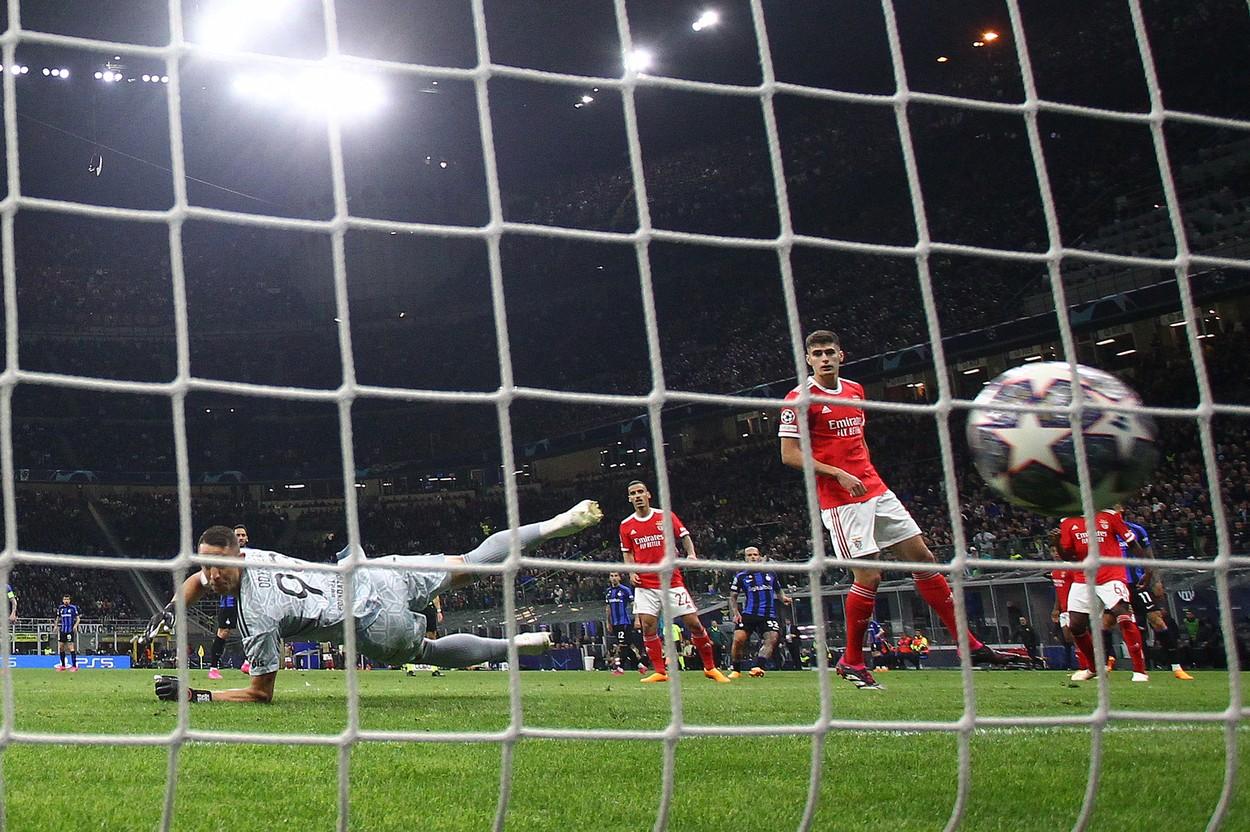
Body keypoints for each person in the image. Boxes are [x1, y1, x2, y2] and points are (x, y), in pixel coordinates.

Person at [147, 500, 603, 704]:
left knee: (429, 653)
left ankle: (514, 646)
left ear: (237, 556)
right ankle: (554, 524)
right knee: (472, 560)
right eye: (206, 568)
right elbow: (201, 578)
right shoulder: (252, 555)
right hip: (373, 571)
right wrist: (172, 610)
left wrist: (198, 696)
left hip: (371, 624)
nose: (211, 577)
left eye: (217, 567)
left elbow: (258, 694)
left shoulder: (255, 617)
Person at [779, 330, 1009, 690]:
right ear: (808, 359)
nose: (824, 358)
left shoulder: (855, 391)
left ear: (841, 354)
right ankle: (852, 660)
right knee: (869, 577)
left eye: (829, 352)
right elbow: (789, 455)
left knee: (923, 559)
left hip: (875, 488)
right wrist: (837, 473)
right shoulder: (799, 399)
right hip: (841, 500)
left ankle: (969, 645)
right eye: (817, 354)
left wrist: (867, 473)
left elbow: (858, 440)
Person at [618, 481, 731, 684]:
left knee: (694, 623)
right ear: (629, 498)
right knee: (648, 627)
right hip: (645, 584)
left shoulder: (665, 516)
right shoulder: (626, 525)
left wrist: (691, 554)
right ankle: (660, 671)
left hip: (671, 581)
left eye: (640, 492)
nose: (637, 496)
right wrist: (631, 572)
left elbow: (684, 535)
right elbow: (627, 554)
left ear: (648, 494)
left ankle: (710, 667)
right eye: (633, 493)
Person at [1057, 509, 1150, 682]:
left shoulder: (1109, 515)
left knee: (1123, 614)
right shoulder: (1067, 521)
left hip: (1111, 576)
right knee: (1076, 625)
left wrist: (1147, 568)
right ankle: (1094, 668)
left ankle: (1140, 670)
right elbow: (1069, 556)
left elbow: (1132, 543)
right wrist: (1056, 542)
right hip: (1083, 578)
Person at [1118, 508, 1193, 680]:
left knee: (1157, 620)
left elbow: (1149, 557)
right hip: (1117, 584)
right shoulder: (1103, 533)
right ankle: (1108, 664)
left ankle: (1176, 667)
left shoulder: (1136, 530)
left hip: (1139, 584)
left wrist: (1156, 580)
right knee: (1108, 623)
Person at [727, 546, 791, 678]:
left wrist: (783, 598)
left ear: (760, 557)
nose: (753, 557)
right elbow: (733, 596)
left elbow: (778, 590)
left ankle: (758, 667)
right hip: (749, 613)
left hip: (768, 614)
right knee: (738, 640)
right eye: (749, 555)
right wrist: (736, 613)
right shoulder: (741, 576)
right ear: (745, 559)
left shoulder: (770, 574)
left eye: (755, 555)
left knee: (772, 638)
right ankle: (736, 670)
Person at [207, 524, 249, 680]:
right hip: (229, 600)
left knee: (252, 631)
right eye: (237, 535)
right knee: (224, 632)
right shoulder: (224, 555)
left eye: (243, 535)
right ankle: (213, 667)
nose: (240, 538)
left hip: (246, 600)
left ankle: (248, 662)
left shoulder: (251, 555)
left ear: (247, 538)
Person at [604, 572, 640, 675]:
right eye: (611, 576)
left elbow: (634, 605)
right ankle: (639, 665)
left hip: (624, 622)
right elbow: (608, 608)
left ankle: (619, 668)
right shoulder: (608, 592)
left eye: (616, 576)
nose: (614, 578)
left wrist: (637, 619)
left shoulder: (625, 590)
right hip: (614, 623)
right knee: (626, 645)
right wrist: (608, 622)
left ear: (619, 578)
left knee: (622, 645)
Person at [55, 594, 80, 672]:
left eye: (67, 599)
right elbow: (57, 618)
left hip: (69, 630)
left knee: (70, 647)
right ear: (63, 600)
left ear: (69, 600)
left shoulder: (73, 608)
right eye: (65, 599)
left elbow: (78, 619)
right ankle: (63, 666)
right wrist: (55, 626)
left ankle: (74, 666)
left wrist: (75, 626)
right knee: (61, 647)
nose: (66, 601)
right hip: (63, 630)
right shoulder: (60, 608)